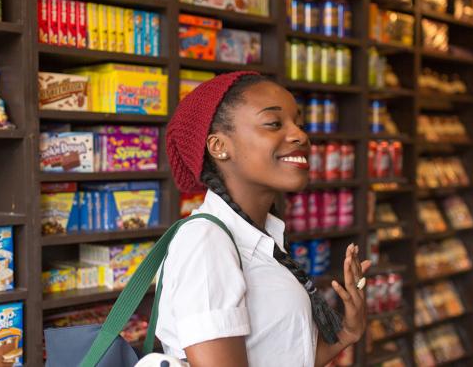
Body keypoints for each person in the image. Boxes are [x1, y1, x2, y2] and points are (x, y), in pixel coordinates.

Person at [159, 71, 371, 367]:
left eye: (298, 123)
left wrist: (348, 331)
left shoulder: (261, 236)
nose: (300, 135)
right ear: (219, 146)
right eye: (273, 124)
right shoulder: (206, 243)